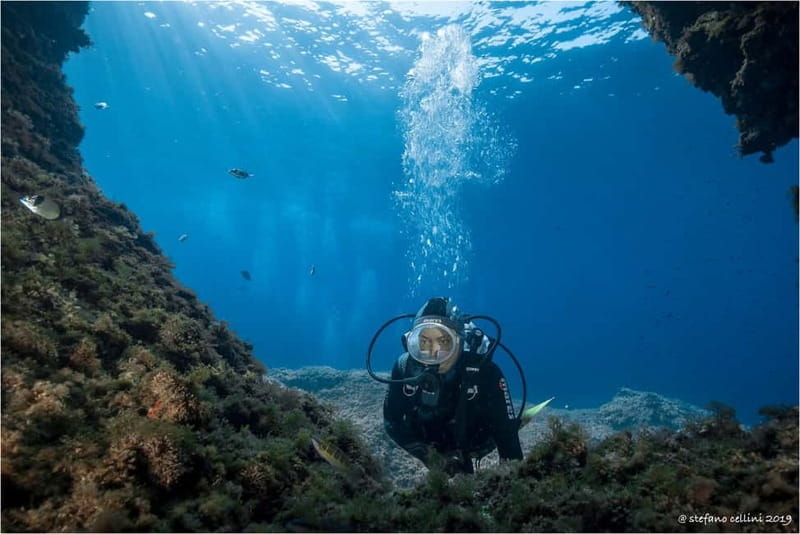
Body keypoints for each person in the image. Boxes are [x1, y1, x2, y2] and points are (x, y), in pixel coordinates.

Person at [383, 297, 523, 474]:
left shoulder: (485, 372)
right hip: (429, 442)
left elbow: (508, 443)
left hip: (474, 443)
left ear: (460, 340)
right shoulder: (405, 367)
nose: (433, 354)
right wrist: (429, 457)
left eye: (444, 342)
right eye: (424, 342)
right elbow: (391, 421)